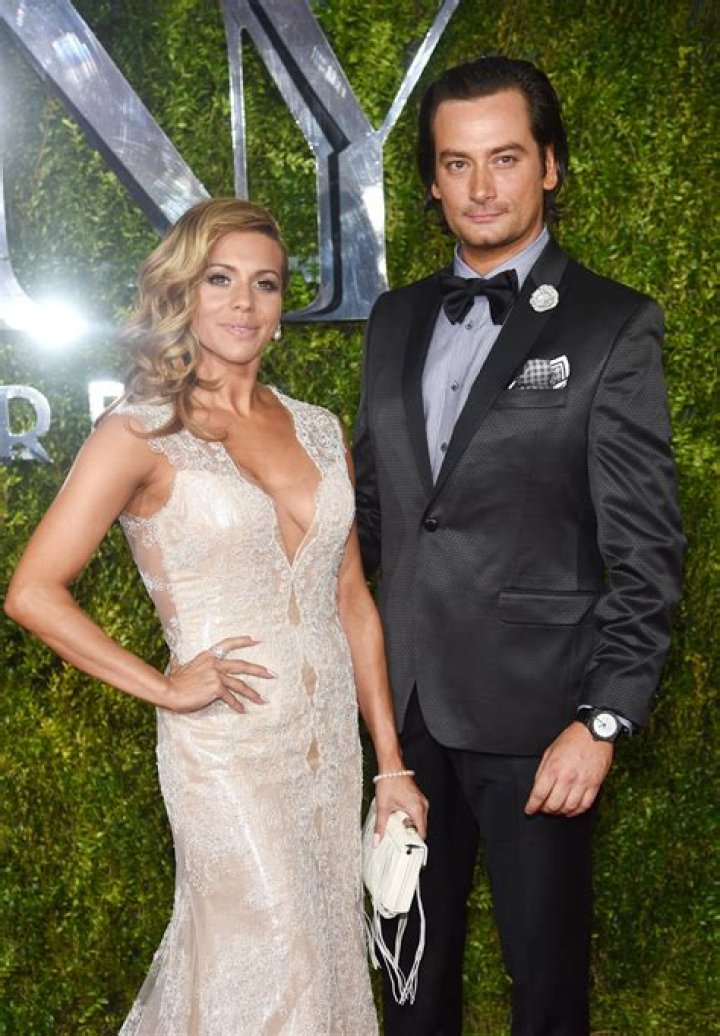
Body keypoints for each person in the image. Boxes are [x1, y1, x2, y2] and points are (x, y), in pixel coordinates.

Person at [5, 197, 427, 1034]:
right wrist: (164, 687)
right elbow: (32, 591)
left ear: (281, 304)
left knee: (324, 956)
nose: (244, 302)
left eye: (264, 284)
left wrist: (390, 765)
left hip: (326, 752)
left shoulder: (317, 428)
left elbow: (351, 600)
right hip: (225, 751)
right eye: (219, 280)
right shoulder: (140, 431)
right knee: (275, 959)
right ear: (183, 294)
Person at [354, 55, 684, 1035]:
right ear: (431, 181)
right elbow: (371, 511)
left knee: (545, 990)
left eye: (504, 158)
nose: (481, 187)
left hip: (542, 719)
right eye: (456, 163)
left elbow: (647, 547)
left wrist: (604, 720)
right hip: (402, 717)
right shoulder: (393, 317)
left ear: (550, 165)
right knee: (408, 979)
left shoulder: (613, 323)